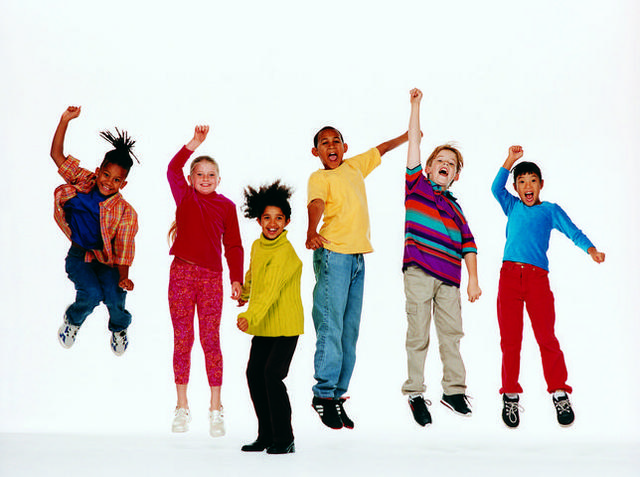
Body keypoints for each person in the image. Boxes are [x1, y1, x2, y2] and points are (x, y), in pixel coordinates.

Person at [491, 145, 605, 428]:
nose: (527, 186)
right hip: (509, 278)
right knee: (510, 340)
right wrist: (510, 160)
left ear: (541, 184)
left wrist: (591, 249)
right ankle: (510, 394)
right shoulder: (512, 206)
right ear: (516, 188)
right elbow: (495, 188)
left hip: (537, 280)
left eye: (532, 181)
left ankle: (559, 392)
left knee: (546, 337)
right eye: (521, 182)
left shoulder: (550, 210)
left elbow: (573, 231)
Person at [306, 124, 408, 429]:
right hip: (333, 255)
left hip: (357, 258)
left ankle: (337, 395)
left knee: (349, 332)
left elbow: (382, 149)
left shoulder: (354, 166)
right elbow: (316, 204)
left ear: (345, 147)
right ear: (316, 152)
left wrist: (408, 136)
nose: (331, 146)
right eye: (325, 143)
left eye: (336, 141)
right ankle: (323, 394)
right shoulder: (320, 178)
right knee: (331, 325)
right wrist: (311, 230)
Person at [400, 89, 481, 427]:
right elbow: (414, 143)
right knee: (418, 333)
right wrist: (416, 106)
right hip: (419, 271)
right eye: (440, 161)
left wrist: (473, 280)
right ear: (429, 167)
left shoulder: (456, 210)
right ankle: (415, 393)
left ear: (456, 175)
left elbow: (469, 245)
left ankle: (454, 391)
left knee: (452, 334)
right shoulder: (415, 187)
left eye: (452, 164)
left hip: (449, 280)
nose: (445, 165)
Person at [167, 125, 243, 437]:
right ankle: (181, 406)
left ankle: (215, 407)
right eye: (200, 174)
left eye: (211, 175)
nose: (206, 179)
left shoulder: (227, 206)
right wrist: (194, 144)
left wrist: (236, 279)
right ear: (191, 178)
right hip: (181, 275)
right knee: (182, 339)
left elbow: (234, 246)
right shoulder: (185, 197)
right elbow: (172, 168)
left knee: (211, 341)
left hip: (211, 279)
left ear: (219, 179)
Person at [51, 106, 139, 357]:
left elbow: (123, 250)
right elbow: (56, 155)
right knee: (91, 294)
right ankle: (73, 320)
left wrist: (123, 277)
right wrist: (65, 120)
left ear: (123, 183)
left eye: (116, 180)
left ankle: (119, 328)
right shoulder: (84, 180)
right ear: (98, 171)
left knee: (114, 296)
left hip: (107, 261)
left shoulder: (125, 212)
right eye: (106, 175)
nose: (108, 182)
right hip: (79, 255)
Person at [236, 181, 303, 455]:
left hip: (285, 326)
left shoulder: (285, 252)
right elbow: (254, 275)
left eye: (278, 218)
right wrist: (244, 293)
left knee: (272, 376)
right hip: (264, 325)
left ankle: (284, 438)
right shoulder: (257, 245)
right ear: (259, 220)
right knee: (254, 374)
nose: (272, 224)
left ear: (287, 222)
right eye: (267, 218)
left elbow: (271, 291)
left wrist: (248, 316)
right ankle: (265, 435)